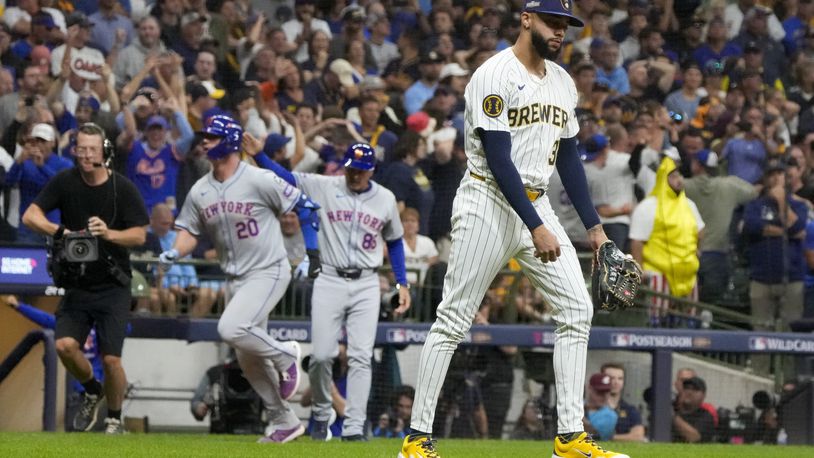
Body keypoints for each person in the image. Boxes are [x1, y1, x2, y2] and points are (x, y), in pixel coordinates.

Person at [400, 2, 628, 457]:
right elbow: (499, 159)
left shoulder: (563, 82)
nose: (560, 33)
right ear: (527, 19)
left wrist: (596, 231)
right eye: (551, 22)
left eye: (565, 26)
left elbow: (568, 159)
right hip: (488, 199)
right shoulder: (494, 73)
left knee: (577, 310)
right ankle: (416, 439)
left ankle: (569, 438)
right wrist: (536, 226)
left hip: (536, 201)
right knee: (453, 318)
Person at [158, 114, 322, 444]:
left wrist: (311, 254)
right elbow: (188, 231)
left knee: (229, 329)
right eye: (204, 136)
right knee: (247, 359)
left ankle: (285, 355)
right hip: (237, 278)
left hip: (269, 269)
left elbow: (306, 207)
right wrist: (176, 251)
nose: (204, 141)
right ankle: (283, 420)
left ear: (231, 141)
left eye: (212, 136)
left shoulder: (259, 179)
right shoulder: (200, 189)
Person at [252, 141, 411, 441]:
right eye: (352, 169)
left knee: (361, 357)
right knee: (323, 356)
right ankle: (323, 411)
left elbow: (395, 241)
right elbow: (284, 177)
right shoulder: (325, 185)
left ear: (372, 171)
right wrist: (258, 155)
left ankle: (353, 427)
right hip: (330, 278)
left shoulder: (385, 199)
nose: (355, 175)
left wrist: (402, 283)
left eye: (361, 171)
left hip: (366, 282)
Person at [21, 122, 149, 434]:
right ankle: (92, 389)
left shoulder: (122, 187)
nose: (86, 155)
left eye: (92, 149)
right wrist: (62, 232)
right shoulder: (65, 181)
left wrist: (109, 234)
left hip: (113, 286)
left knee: (112, 361)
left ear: (104, 151)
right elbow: (30, 216)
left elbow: (139, 236)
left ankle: (114, 419)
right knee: (64, 346)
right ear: (74, 150)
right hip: (76, 283)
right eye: (81, 149)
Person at [600, 363, 645, 442]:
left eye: (620, 378)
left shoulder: (630, 410)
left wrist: (606, 437)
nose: (616, 382)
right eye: (611, 378)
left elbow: (638, 436)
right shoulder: (589, 408)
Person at [672, 376, 715, 443]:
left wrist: (671, 416)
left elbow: (694, 437)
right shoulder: (673, 408)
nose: (689, 392)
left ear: (703, 395)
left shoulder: (705, 416)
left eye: (695, 389)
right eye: (686, 388)